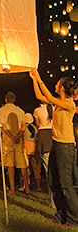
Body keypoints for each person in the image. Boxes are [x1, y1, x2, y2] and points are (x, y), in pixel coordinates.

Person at [29, 69, 78, 226]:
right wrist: (33, 79)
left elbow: (48, 97)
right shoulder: (57, 103)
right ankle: (60, 216)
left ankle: (73, 219)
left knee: (65, 184)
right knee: (53, 181)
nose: (55, 85)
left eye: (57, 84)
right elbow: (40, 96)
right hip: (56, 144)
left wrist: (39, 76)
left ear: (62, 87)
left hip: (66, 146)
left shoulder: (68, 104)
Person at [0, 91, 29, 195]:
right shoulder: (20, 111)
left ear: (6, 99)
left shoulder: (2, 110)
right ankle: (27, 188)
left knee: (9, 164)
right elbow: (23, 126)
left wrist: (11, 137)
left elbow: (3, 126)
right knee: (23, 164)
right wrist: (18, 137)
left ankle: (12, 189)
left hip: (7, 139)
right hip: (19, 140)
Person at [23, 113, 41, 192]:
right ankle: (38, 186)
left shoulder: (24, 128)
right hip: (34, 148)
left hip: (26, 147)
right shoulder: (35, 128)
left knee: (25, 168)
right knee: (36, 168)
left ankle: (25, 185)